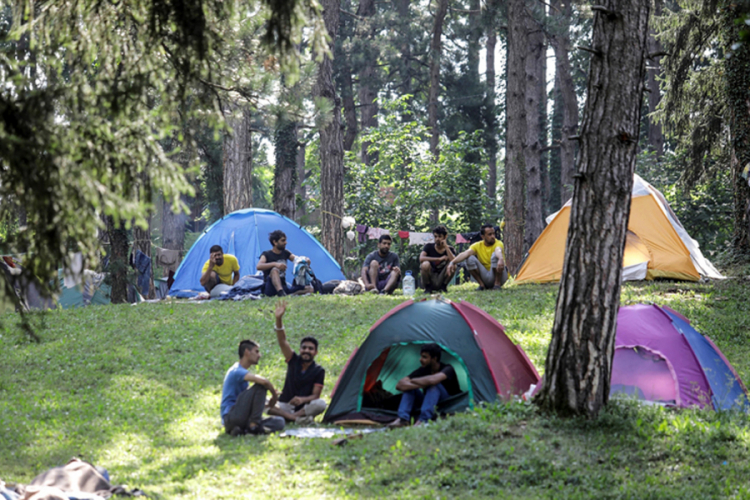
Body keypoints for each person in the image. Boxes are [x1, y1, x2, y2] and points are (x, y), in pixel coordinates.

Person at [266, 300, 327, 424]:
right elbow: (282, 341)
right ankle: (295, 419)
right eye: (304, 348)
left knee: (321, 404)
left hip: (303, 408)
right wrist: (279, 319)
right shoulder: (293, 360)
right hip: (284, 404)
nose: (306, 351)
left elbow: (315, 396)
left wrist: (302, 399)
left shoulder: (319, 370)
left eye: (310, 349)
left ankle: (292, 417)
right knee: (262, 402)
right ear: (300, 350)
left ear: (316, 352)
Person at [220, 340, 286, 436]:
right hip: (232, 416)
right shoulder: (236, 370)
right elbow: (264, 381)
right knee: (260, 386)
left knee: (280, 421)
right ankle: (253, 426)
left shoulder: (242, 374)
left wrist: (266, 405)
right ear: (247, 352)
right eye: (256, 351)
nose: (259, 355)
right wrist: (274, 395)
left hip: (241, 418)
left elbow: (250, 404)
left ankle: (243, 431)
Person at [388, 344, 461, 427]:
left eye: (424, 357)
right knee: (409, 388)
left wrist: (413, 380)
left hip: (448, 403)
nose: (420, 359)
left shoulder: (448, 369)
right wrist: (418, 384)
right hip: (429, 402)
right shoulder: (423, 370)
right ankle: (403, 419)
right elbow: (399, 385)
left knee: (434, 386)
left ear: (434, 358)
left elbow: (433, 380)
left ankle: (423, 420)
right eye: (421, 356)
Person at [447, 224, 507, 290]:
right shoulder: (477, 245)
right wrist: (452, 262)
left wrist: (501, 259)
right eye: (489, 234)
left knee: (495, 255)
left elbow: (498, 250)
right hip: (486, 276)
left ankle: (497, 285)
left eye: (493, 234)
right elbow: (466, 253)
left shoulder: (498, 243)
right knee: (469, 258)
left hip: (500, 275)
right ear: (483, 237)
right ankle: (482, 285)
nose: (493, 236)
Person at [257, 230, 314, 297]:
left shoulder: (285, 253)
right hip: (270, 287)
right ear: (275, 242)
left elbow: (296, 259)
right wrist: (275, 264)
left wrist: (305, 260)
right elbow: (259, 266)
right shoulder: (266, 254)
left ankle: (287, 295)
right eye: (283, 240)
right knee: (274, 270)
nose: (285, 243)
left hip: (283, 285)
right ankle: (281, 292)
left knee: (310, 289)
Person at [419, 225, 456, 293]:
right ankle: (428, 288)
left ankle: (443, 287)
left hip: (442, 278)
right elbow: (421, 258)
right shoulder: (428, 246)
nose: (437, 239)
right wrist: (439, 259)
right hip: (431, 277)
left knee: (453, 265)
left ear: (445, 237)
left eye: (439, 236)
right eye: (435, 236)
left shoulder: (450, 249)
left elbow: (454, 261)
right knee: (425, 264)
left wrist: (446, 247)